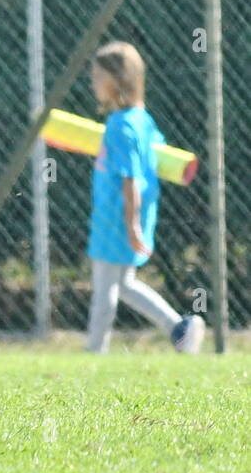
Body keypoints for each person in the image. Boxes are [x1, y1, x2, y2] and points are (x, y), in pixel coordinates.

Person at [84, 41, 203, 354]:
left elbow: (130, 178)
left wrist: (131, 223)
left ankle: (94, 350)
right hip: (126, 216)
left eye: (98, 77)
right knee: (124, 284)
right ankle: (179, 328)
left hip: (116, 218)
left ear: (119, 80)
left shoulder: (121, 126)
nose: (93, 83)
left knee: (105, 288)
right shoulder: (141, 119)